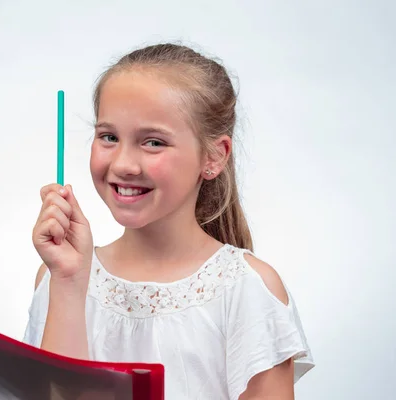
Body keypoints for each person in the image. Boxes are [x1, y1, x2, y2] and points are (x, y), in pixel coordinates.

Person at [23, 43, 314, 400]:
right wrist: (68, 283)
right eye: (109, 137)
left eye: (154, 142)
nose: (124, 164)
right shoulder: (58, 278)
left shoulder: (246, 290)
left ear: (213, 157)